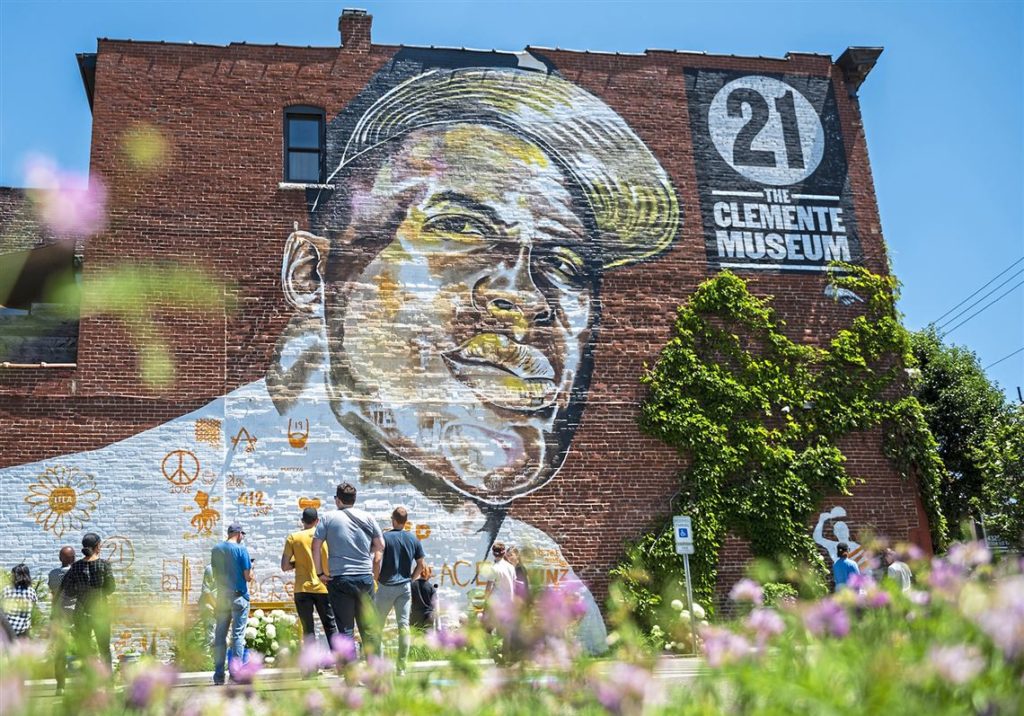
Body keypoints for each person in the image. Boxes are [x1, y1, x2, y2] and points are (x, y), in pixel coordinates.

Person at [0, 58, 682, 654]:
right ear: (310, 272)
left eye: (564, 261)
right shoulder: (35, 502)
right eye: (461, 227)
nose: (524, 295)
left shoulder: (544, 562)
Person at [312, 482, 384, 654]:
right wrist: (366, 551)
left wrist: (320, 572)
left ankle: (350, 675)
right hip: (364, 577)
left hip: (340, 578)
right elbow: (380, 544)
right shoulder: (368, 517)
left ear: (337, 500)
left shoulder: (328, 518)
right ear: (354, 499)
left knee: (345, 630)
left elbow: (315, 546)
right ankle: (374, 670)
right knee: (368, 628)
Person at [373, 506, 425, 674]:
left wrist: (376, 577)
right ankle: (401, 668)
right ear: (405, 521)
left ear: (393, 520)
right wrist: (412, 578)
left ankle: (379, 667)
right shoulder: (413, 539)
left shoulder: (385, 538)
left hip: (386, 585)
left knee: (377, 627)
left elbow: (377, 559)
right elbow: (421, 564)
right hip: (404, 587)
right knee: (403, 627)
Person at [282, 507, 337, 643]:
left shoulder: (293, 538)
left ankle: (312, 662)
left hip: (302, 588)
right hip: (324, 586)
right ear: (317, 521)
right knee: (330, 626)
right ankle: (339, 660)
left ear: (302, 521)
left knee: (308, 629)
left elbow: (284, 566)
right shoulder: (326, 538)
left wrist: (298, 562)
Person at [62, 533, 116, 672]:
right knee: (104, 649)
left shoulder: (76, 566)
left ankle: (87, 684)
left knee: (84, 651)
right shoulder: (104, 565)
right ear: (97, 546)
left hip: (81, 611)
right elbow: (111, 588)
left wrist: (80, 592)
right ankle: (108, 683)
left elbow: (68, 590)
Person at [210, 523, 253, 685]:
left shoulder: (216, 549)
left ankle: (219, 676)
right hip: (238, 596)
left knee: (220, 636)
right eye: (243, 534)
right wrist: (251, 571)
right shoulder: (241, 550)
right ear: (239, 533)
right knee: (237, 636)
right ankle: (235, 675)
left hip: (222, 597)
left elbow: (215, 574)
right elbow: (248, 576)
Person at [47, 546, 77, 693]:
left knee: (60, 652)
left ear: (60, 558)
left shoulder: (52, 574)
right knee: (85, 648)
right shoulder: (78, 573)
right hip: (77, 616)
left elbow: (53, 592)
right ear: (74, 558)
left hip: (59, 616)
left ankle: (60, 686)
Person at [1, 564, 38, 639]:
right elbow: (34, 611)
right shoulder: (31, 592)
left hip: (7, 631)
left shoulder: (7, 590)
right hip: (23, 631)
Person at [481, 542, 517, 607]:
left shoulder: (494, 568)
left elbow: (488, 587)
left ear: (493, 553)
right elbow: (514, 584)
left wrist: (486, 602)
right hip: (509, 601)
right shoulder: (511, 567)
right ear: (504, 553)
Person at [410, 565, 436, 631]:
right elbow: (435, 604)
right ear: (428, 573)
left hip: (415, 616)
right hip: (428, 616)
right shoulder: (431, 587)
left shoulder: (412, 585)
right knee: (427, 639)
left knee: (415, 639)